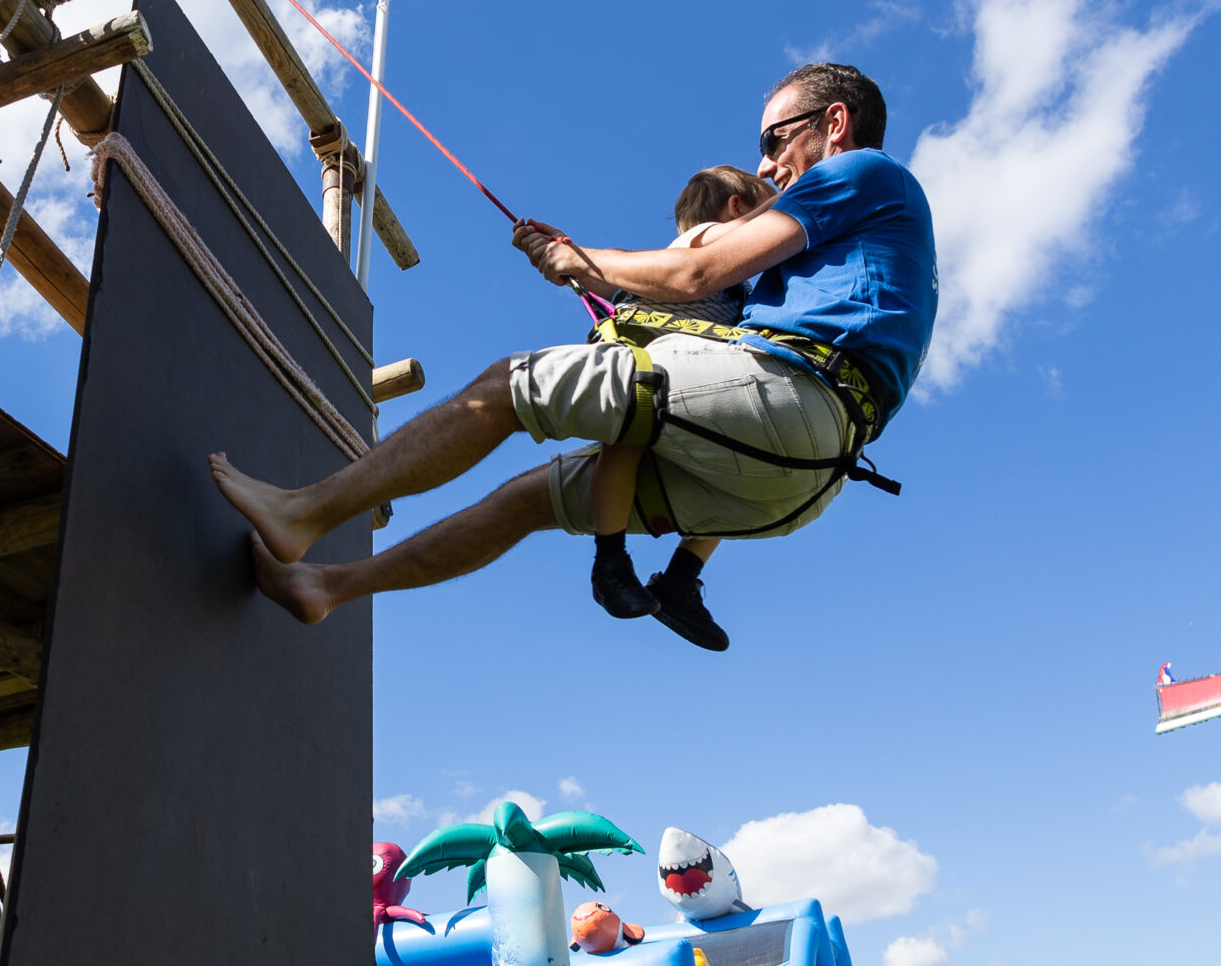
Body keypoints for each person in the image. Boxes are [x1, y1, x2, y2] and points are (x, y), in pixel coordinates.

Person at [209, 63, 938, 650]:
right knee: (526, 501)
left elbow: (692, 274)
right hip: (795, 483)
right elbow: (691, 278)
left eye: (776, 139)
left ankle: (305, 512)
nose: (767, 162)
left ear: (833, 123)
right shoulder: (842, 240)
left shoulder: (863, 171)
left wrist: (582, 257)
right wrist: (583, 265)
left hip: (789, 404)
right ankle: (328, 588)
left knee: (508, 387)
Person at [589, 164, 776, 637]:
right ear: (737, 208)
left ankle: (676, 579)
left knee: (734, 472)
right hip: (646, 362)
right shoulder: (705, 239)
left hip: (684, 374)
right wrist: (803, 195)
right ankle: (611, 561)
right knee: (627, 438)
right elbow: (761, 227)